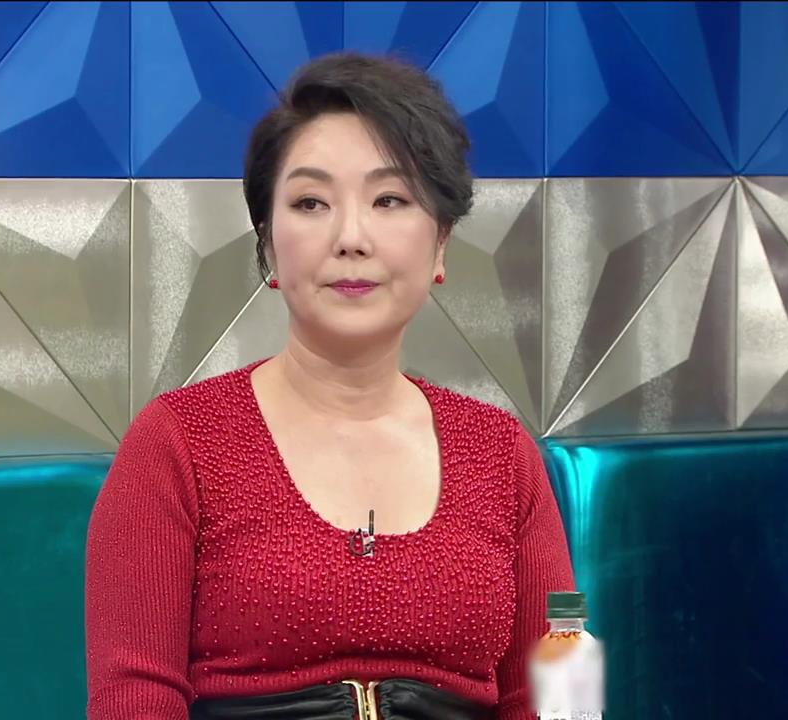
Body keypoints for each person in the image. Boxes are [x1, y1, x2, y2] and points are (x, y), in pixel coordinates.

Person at [85, 52, 575, 720]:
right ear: (268, 244)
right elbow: (134, 697)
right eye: (311, 202)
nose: (351, 237)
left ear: (440, 244)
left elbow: (553, 698)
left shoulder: (501, 453)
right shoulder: (178, 444)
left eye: (390, 200)